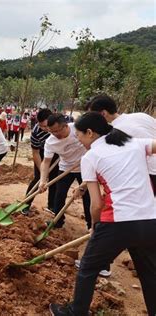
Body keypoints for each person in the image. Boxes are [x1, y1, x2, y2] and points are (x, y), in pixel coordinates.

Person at [49, 112, 156, 316]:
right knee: (150, 274)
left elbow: (96, 205)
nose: (78, 140)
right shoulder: (135, 143)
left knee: (88, 268)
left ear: (90, 133)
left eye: (79, 135)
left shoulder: (90, 157)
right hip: (150, 220)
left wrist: (95, 227)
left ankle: (76, 312)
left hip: (118, 222)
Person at [87, 94, 156, 195]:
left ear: (103, 113)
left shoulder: (115, 132)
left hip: (150, 172)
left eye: (93, 116)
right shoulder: (142, 116)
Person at [39, 113, 92, 230]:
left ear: (65, 126)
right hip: (65, 168)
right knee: (59, 195)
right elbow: (46, 162)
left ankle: (91, 225)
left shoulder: (78, 129)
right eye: (52, 132)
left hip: (85, 166)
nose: (55, 134)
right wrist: (42, 181)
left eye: (57, 131)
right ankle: (57, 222)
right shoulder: (50, 142)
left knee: (88, 196)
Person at [22, 109, 58, 215]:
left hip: (57, 154)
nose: (45, 129)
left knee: (54, 180)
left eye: (46, 126)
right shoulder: (36, 132)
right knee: (38, 179)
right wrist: (42, 170)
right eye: (42, 126)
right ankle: (25, 205)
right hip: (42, 155)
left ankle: (52, 206)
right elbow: (36, 153)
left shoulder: (59, 126)